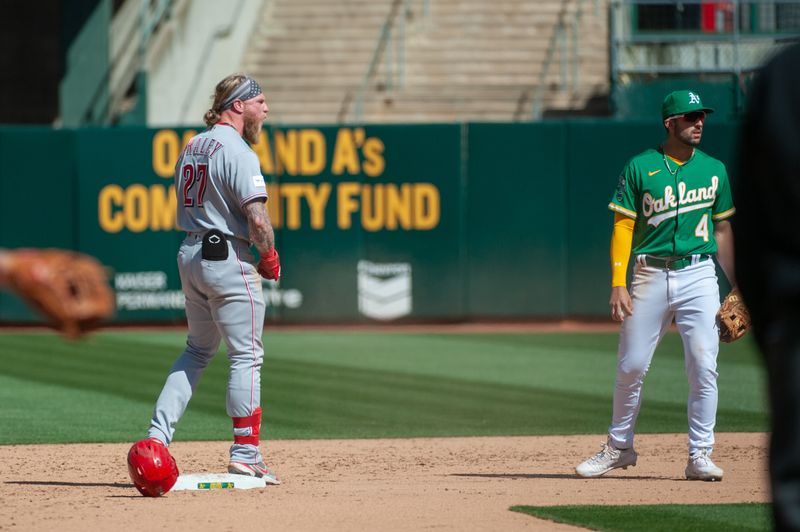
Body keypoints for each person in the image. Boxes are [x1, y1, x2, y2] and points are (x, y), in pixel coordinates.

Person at [128, 73, 282, 486]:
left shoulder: (193, 145)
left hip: (191, 253)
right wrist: (268, 255)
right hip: (226, 254)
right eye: (260, 101)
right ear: (238, 105)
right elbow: (257, 218)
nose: (265, 109)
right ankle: (246, 453)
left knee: (197, 351)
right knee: (246, 355)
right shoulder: (239, 151)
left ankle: (156, 440)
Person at [575, 90, 737, 481]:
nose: (699, 122)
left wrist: (738, 286)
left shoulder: (714, 169)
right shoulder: (640, 167)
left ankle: (700, 455)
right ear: (670, 123)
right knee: (631, 366)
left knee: (703, 364)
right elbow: (624, 225)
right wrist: (618, 281)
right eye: (689, 117)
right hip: (649, 274)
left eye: (702, 116)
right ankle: (619, 447)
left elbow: (723, 227)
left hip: (699, 274)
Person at [735, 43, 800, 529]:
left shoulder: (783, 75)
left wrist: (763, 313)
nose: (697, 123)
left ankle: (698, 453)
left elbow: (746, 227)